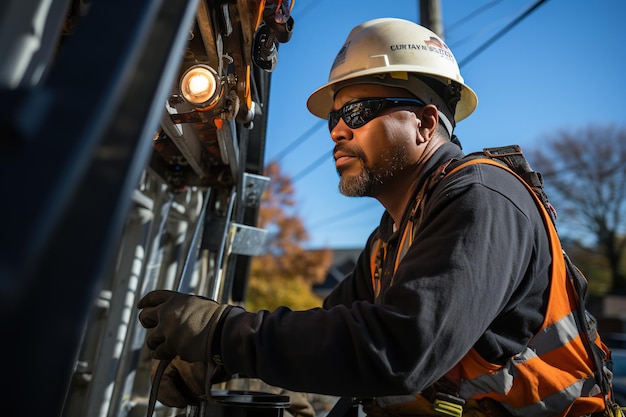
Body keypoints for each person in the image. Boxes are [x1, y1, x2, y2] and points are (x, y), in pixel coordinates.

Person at [137, 17, 613, 417]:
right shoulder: (392, 237)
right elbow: (333, 326)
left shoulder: (482, 199)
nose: (338, 131)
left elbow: (401, 349)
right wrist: (223, 360)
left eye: (359, 111)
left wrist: (224, 331)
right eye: (333, 118)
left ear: (425, 123)